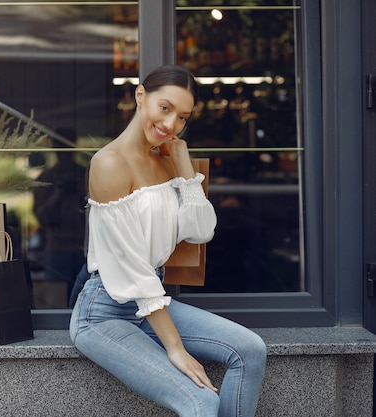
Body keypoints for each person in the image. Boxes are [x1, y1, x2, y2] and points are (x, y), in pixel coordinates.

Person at [69, 65, 267, 417]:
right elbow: (131, 268)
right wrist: (174, 348)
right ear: (140, 96)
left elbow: (201, 230)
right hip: (104, 312)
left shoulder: (165, 160)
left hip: (152, 302)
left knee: (250, 350)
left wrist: (184, 167)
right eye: (165, 108)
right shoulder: (108, 163)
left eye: (183, 117)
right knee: (201, 400)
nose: (171, 124)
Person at [32, 128, 87, 303]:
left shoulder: (86, 175)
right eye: (60, 145)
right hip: (56, 247)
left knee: (85, 298)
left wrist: (80, 193)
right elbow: (41, 216)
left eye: (67, 146)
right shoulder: (45, 178)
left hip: (83, 247)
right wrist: (58, 196)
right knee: (55, 304)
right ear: (54, 148)